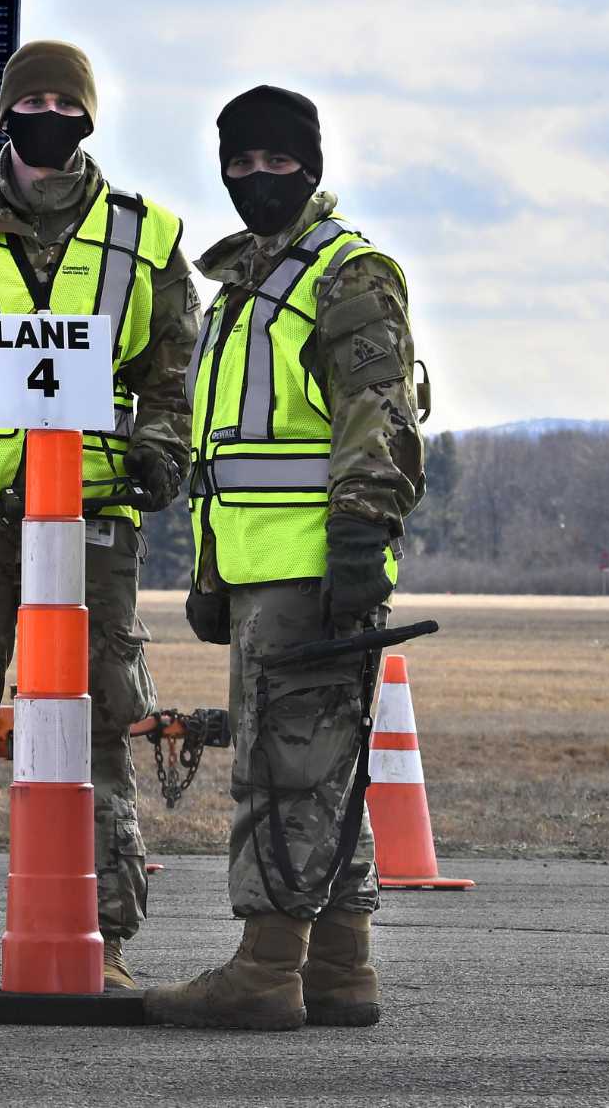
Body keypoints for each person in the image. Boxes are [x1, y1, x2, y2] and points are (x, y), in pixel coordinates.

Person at [0, 40, 199, 1000]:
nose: (50, 114)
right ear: (8, 112)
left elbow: (175, 367)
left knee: (98, 730)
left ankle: (103, 932)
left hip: (92, 520)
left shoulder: (147, 237)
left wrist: (160, 450)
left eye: (67, 100)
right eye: (35, 99)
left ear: (90, 114)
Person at [144, 85, 426, 1031]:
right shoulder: (245, 286)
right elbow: (226, 452)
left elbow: (375, 422)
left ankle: (266, 967)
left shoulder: (347, 277)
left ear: (311, 163)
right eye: (241, 162)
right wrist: (212, 573)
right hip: (260, 568)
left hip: (316, 569)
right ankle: (343, 966)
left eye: (277, 161)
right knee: (321, 765)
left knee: (282, 769)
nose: (257, 178)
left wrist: (357, 549)